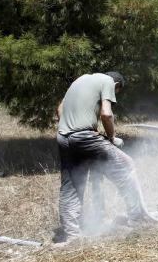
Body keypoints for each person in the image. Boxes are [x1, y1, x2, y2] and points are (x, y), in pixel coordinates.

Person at [55, 72, 149, 244]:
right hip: (84, 136)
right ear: (116, 85)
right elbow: (106, 114)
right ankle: (136, 219)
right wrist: (112, 137)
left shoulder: (80, 80)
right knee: (127, 166)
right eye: (116, 93)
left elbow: (60, 109)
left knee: (71, 187)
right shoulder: (108, 81)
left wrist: (72, 128)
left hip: (63, 137)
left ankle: (72, 236)